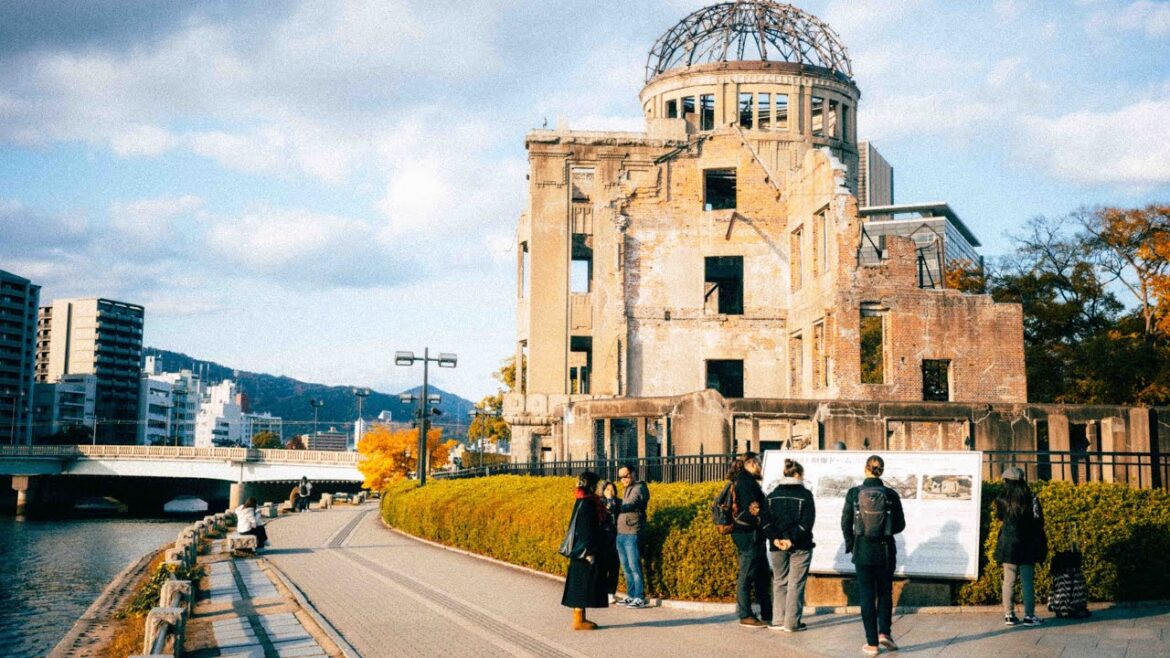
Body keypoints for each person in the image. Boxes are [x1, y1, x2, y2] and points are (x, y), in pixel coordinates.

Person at [841, 455, 906, 656]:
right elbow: (900, 524)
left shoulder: (854, 493)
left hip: (863, 550)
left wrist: (852, 544)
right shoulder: (890, 494)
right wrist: (884, 530)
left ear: (865, 469)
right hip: (886, 550)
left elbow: (845, 522)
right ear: (882, 471)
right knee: (885, 592)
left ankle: (872, 643)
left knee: (867, 595)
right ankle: (884, 632)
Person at [765, 458, 815, 633]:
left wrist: (776, 538)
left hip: (776, 545)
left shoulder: (771, 495)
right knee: (796, 583)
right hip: (800, 544)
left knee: (779, 581)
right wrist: (791, 539)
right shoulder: (806, 495)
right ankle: (792, 623)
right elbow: (807, 523)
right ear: (798, 474)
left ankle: (778, 620)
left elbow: (765, 522)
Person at [995, 466, 1048, 627]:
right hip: (1027, 543)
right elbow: (1039, 520)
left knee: (1008, 581)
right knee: (1027, 581)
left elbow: (1000, 518)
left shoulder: (1001, 499)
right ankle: (1029, 616)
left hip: (1008, 543)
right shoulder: (1031, 498)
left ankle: (1009, 615)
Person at [729, 451, 773, 628]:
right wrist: (765, 522)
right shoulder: (747, 483)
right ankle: (745, 614)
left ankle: (767, 612)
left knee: (762, 574)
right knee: (747, 575)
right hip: (749, 534)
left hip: (750, 534)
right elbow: (753, 511)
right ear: (752, 463)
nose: (761, 468)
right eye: (759, 464)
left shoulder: (743, 480)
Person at [561, 470, 609, 630]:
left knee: (580, 583)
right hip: (585, 551)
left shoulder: (582, 500)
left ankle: (579, 618)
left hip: (579, 550)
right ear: (591, 485)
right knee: (583, 583)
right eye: (596, 484)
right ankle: (579, 620)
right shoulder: (588, 503)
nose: (598, 487)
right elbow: (586, 529)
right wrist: (589, 552)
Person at [615, 464, 650, 608]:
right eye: (620, 477)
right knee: (626, 567)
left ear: (633, 474)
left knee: (634, 566)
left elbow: (632, 503)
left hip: (632, 532)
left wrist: (616, 505)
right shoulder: (626, 489)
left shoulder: (639, 488)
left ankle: (639, 597)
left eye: (626, 475)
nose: (623, 479)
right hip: (621, 532)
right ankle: (631, 595)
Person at [599, 480, 622, 604]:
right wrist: (608, 502)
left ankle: (611, 592)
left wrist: (612, 501)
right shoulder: (599, 502)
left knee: (614, 565)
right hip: (603, 535)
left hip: (616, 535)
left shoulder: (619, 502)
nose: (610, 492)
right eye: (607, 489)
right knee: (603, 564)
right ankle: (601, 591)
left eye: (612, 489)